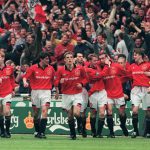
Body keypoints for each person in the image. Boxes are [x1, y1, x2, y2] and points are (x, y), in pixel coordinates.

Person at [54, 51, 87, 140]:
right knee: (70, 115)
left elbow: (85, 78)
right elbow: (55, 82)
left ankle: (80, 126)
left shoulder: (80, 68)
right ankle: (73, 134)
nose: (69, 59)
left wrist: (82, 84)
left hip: (77, 94)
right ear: (64, 60)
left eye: (71, 57)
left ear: (73, 59)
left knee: (77, 113)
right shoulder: (60, 69)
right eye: (67, 57)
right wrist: (59, 83)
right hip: (66, 95)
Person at [23, 51, 55, 138]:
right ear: (41, 59)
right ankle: (37, 131)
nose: (48, 60)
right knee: (36, 114)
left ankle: (42, 133)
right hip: (35, 92)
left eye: (49, 59)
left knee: (44, 111)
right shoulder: (33, 68)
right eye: (46, 59)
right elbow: (25, 77)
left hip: (46, 92)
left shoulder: (51, 68)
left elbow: (53, 80)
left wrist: (56, 90)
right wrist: (25, 82)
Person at [99, 52, 129, 137]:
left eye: (104, 58)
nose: (102, 60)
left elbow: (126, 74)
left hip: (119, 94)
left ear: (108, 57)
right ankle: (111, 132)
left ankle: (123, 125)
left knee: (122, 113)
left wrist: (121, 82)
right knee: (109, 112)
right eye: (101, 59)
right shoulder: (101, 68)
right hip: (108, 94)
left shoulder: (116, 66)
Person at [128, 48, 150, 138]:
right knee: (134, 110)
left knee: (148, 112)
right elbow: (126, 75)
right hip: (136, 90)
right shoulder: (131, 66)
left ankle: (148, 132)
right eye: (133, 55)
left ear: (140, 55)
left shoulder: (148, 65)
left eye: (135, 55)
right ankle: (135, 131)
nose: (134, 56)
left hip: (146, 89)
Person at [86, 54, 108, 138]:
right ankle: (93, 131)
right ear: (90, 61)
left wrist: (107, 60)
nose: (96, 62)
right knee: (93, 113)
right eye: (94, 61)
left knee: (102, 113)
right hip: (93, 94)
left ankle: (99, 133)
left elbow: (103, 61)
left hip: (102, 92)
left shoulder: (98, 64)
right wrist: (106, 65)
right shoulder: (87, 69)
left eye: (96, 60)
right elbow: (100, 75)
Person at [0, 51, 15, 138]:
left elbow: (12, 79)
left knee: (7, 111)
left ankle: (7, 131)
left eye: (0, 57)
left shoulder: (9, 69)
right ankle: (2, 132)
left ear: (2, 58)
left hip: (7, 93)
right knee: (0, 113)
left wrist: (13, 89)